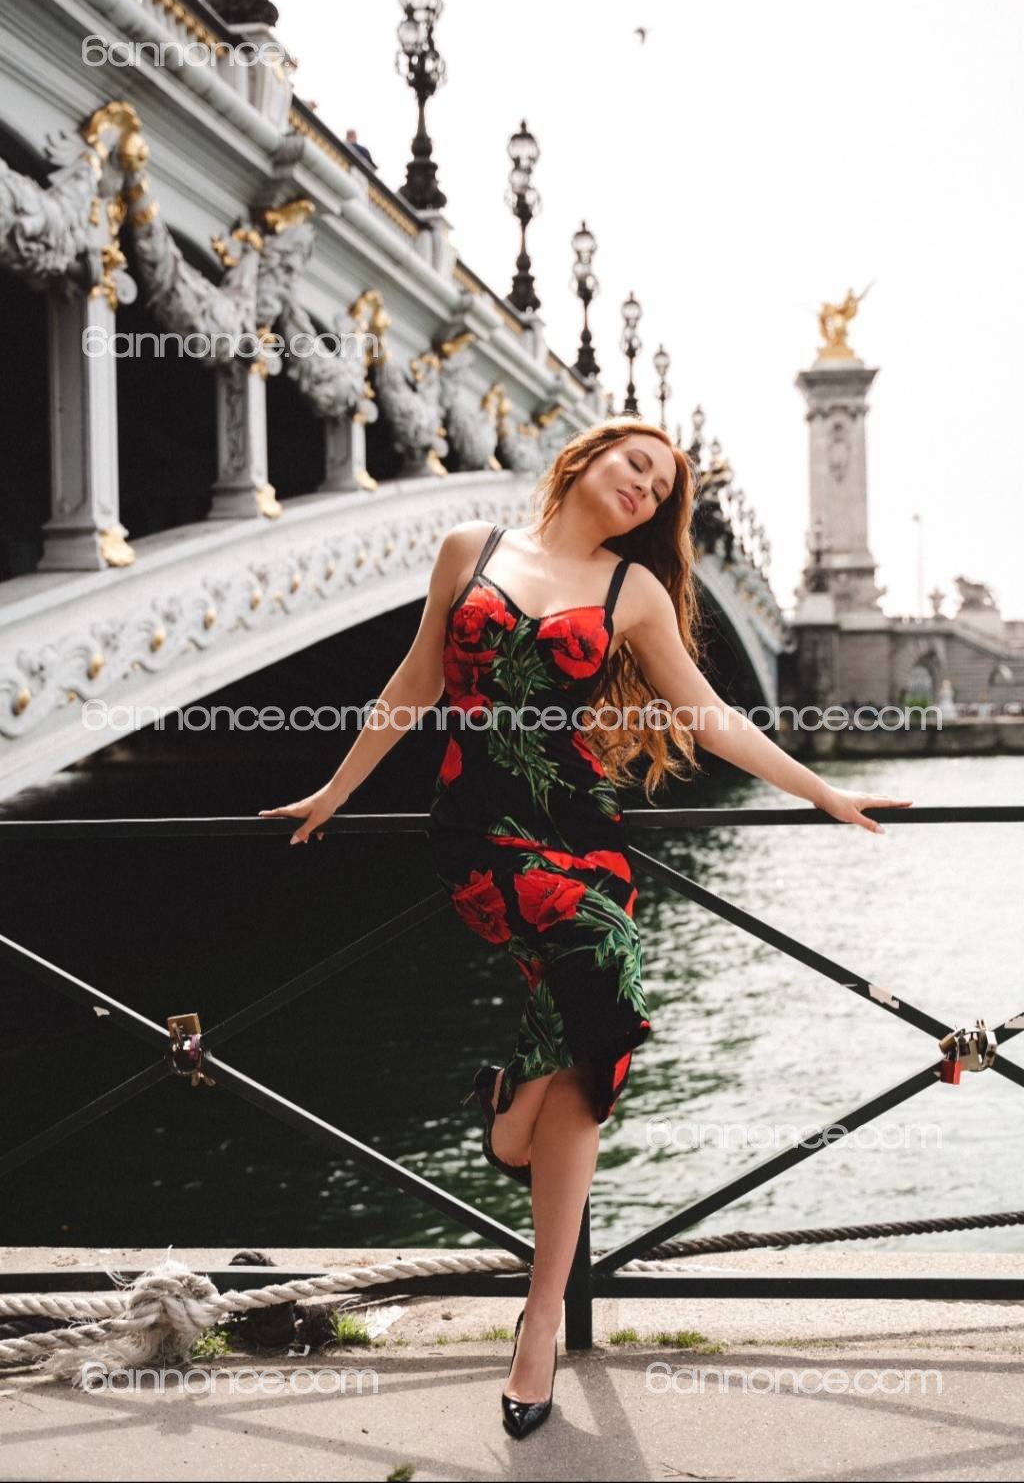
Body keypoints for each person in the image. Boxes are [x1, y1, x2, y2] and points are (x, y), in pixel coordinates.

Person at [259, 416, 913, 1439]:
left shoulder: (633, 591)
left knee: (589, 1034)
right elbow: (417, 681)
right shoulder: (468, 549)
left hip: (583, 834)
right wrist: (334, 792)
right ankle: (509, 1132)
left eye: (660, 490)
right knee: (598, 981)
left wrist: (821, 791)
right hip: (480, 834)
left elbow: (706, 715)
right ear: (586, 459)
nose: (644, 488)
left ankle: (538, 1317)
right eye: (635, 465)